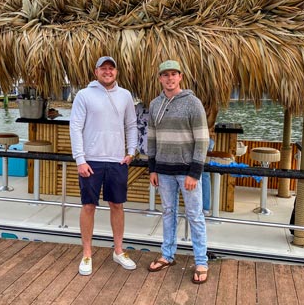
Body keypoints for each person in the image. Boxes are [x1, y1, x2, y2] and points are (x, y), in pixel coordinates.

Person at [70, 56, 138, 276]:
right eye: (103, 68)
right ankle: (87, 254)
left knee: (117, 205)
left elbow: (131, 125)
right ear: (96, 70)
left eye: (111, 68)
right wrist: (80, 159)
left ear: (116, 72)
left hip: (117, 160)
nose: (107, 72)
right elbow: (75, 127)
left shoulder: (125, 95)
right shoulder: (84, 95)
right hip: (91, 160)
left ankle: (118, 251)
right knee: (88, 206)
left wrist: (131, 152)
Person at [147, 60, 210, 284]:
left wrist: (194, 172)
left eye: (174, 74)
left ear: (180, 77)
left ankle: (201, 261)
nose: (170, 78)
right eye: (166, 75)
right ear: (160, 79)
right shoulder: (155, 104)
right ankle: (167, 255)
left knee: (194, 215)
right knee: (168, 212)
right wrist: (152, 168)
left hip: (187, 172)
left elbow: (202, 140)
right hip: (163, 171)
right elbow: (151, 138)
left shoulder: (193, 104)